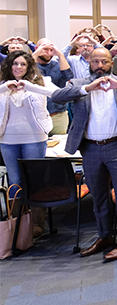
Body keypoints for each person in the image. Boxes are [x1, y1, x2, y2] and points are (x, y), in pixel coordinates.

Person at [51, 48, 117, 261]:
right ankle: (105, 236)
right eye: (95, 61)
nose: (100, 65)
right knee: (98, 196)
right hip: (91, 148)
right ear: (89, 62)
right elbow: (56, 97)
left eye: (104, 62)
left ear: (111, 63)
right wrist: (86, 89)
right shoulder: (79, 83)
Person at [0, 51, 57, 236]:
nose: (18, 67)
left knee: (35, 181)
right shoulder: (2, 85)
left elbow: (57, 93)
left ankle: (37, 224)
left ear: (29, 66)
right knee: (15, 181)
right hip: (8, 140)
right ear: (9, 66)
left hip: (34, 138)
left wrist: (31, 86)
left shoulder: (40, 81)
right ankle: (15, 224)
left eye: (23, 64)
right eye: (15, 64)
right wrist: (5, 87)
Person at [32, 38, 73, 135]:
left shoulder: (58, 65)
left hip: (58, 115)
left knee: (58, 147)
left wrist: (60, 54)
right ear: (37, 49)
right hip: (36, 116)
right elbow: (24, 71)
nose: (48, 52)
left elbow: (68, 76)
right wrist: (36, 53)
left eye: (51, 49)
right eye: (44, 48)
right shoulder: (31, 65)